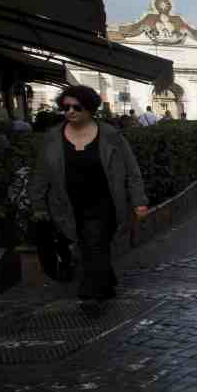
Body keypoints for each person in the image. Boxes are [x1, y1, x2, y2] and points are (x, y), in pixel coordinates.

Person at [29, 85, 149, 316]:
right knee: (89, 244)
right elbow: (41, 174)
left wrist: (139, 201)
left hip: (105, 202)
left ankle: (90, 294)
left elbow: (132, 171)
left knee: (93, 241)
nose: (70, 112)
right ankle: (106, 281)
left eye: (77, 107)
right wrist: (38, 205)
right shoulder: (53, 138)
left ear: (90, 109)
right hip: (67, 204)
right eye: (66, 107)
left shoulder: (111, 136)